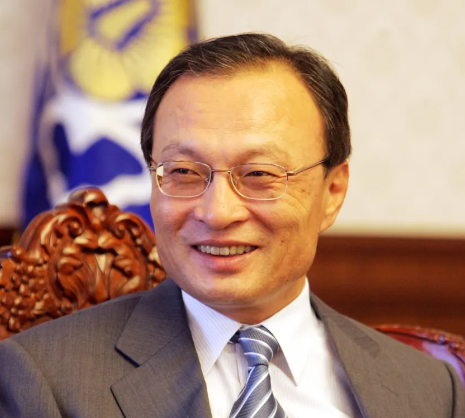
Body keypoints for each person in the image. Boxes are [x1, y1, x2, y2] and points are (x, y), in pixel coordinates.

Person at [0, 33, 463, 418]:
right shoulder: (45, 380)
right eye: (183, 172)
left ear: (333, 192)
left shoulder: (431, 390)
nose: (217, 212)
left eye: (259, 174)